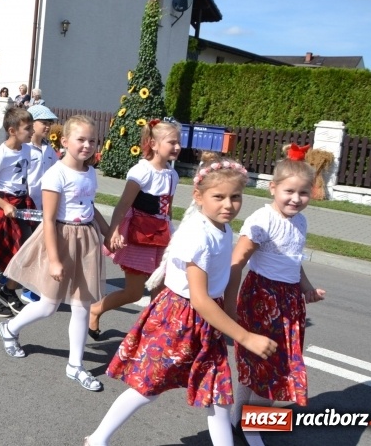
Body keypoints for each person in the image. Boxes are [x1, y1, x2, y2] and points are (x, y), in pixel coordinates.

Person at [84, 158, 278, 446]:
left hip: (205, 322)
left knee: (218, 394)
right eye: (219, 197)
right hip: (180, 319)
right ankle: (98, 439)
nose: (228, 205)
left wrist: (231, 314)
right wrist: (245, 337)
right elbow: (199, 299)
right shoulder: (198, 235)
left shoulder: (222, 228)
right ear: (198, 197)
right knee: (148, 387)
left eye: (235, 197)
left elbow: (222, 279)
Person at [0, 115, 110, 393]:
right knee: (49, 305)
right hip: (60, 238)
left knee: (82, 305)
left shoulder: (91, 172)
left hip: (86, 239)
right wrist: (56, 259)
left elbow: (89, 206)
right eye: (81, 139)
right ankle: (10, 329)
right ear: (65, 141)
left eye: (92, 140)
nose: (87, 145)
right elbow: (48, 219)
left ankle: (75, 365)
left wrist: (108, 231)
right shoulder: (56, 174)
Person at [227, 144, 326, 446]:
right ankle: (250, 424)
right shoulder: (262, 220)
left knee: (270, 363)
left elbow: (293, 259)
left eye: (304, 193)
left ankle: (239, 419)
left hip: (289, 298)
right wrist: (229, 304)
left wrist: (306, 287)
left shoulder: (301, 221)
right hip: (262, 297)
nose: (296, 199)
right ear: (273, 188)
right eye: (289, 192)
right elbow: (237, 261)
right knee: (270, 364)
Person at [88, 119, 181, 339]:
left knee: (160, 290)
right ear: (154, 144)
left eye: (179, 142)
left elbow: (168, 210)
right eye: (172, 142)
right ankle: (95, 310)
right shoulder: (142, 171)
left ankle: (152, 335)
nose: (177, 147)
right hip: (139, 236)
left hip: (161, 237)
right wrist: (114, 231)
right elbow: (123, 204)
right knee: (134, 292)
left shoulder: (172, 175)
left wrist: (174, 236)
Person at [0, 106, 36, 317]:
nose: (32, 132)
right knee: (3, 252)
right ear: (12, 130)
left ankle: (9, 291)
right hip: (4, 206)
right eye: (28, 128)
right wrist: (5, 205)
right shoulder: (1, 154)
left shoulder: (27, 149)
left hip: (21, 204)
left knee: (25, 250)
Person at [19, 104, 60, 304]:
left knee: (40, 247)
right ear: (31, 123)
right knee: (23, 245)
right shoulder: (24, 149)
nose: (47, 127)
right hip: (25, 205)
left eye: (49, 124)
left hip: (43, 207)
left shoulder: (49, 150)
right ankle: (13, 279)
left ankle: (31, 288)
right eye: (44, 123)